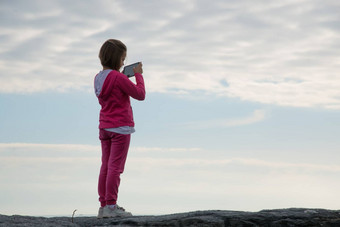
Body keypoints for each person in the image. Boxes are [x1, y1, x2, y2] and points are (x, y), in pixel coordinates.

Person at [94, 39, 145, 218]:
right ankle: (112, 206)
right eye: (123, 59)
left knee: (106, 166)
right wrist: (138, 75)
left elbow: (113, 89)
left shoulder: (98, 78)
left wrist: (123, 76)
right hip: (120, 128)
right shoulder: (118, 77)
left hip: (105, 127)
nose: (124, 62)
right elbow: (140, 94)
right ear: (117, 59)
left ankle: (103, 206)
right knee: (116, 167)